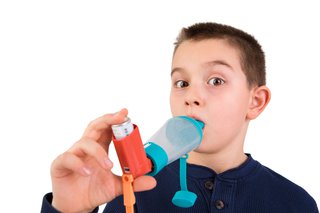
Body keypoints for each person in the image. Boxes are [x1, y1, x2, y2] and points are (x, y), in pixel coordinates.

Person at [41, 22, 318, 213]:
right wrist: (69, 209)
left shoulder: (295, 203)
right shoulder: (132, 195)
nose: (191, 96)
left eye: (216, 80)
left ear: (255, 102)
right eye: (181, 83)